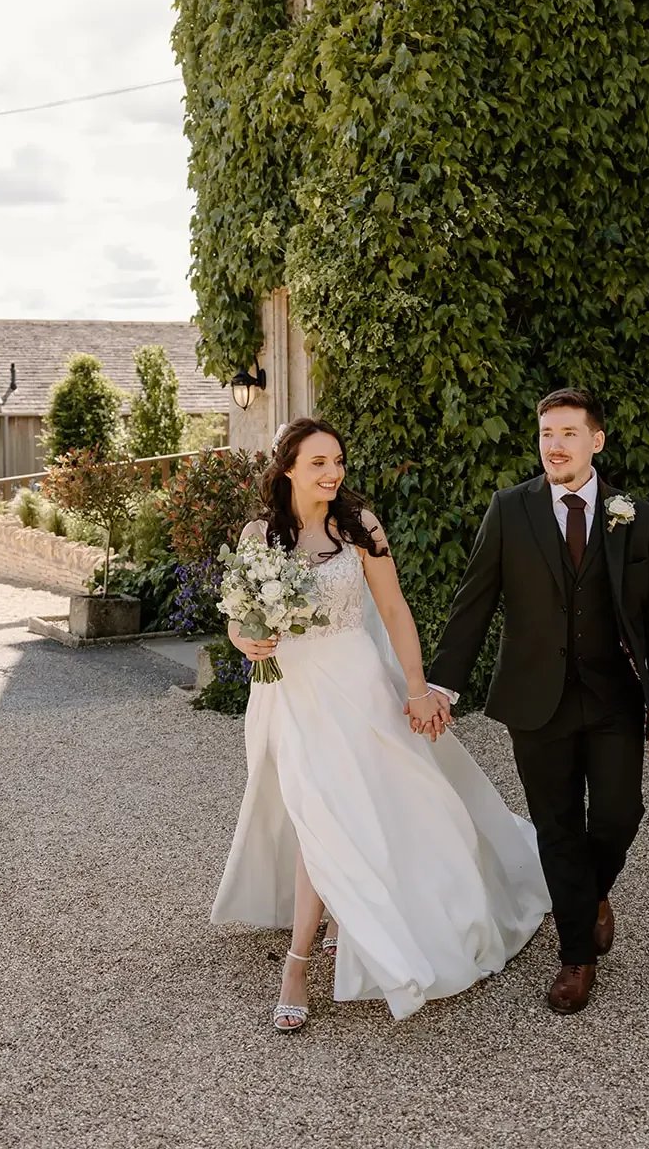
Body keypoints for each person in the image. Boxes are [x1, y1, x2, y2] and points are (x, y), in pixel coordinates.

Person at [211, 417, 550, 1029]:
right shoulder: (259, 534)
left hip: (358, 684)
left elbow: (393, 610)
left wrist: (418, 691)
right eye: (318, 463)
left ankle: (311, 951)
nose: (332, 472)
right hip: (291, 694)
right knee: (320, 813)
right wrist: (244, 641)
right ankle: (305, 954)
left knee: (354, 809)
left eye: (337, 460)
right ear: (287, 467)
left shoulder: (361, 527)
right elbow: (240, 616)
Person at [426, 388, 649, 1014]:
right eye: (546, 434)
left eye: (568, 433)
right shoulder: (510, 510)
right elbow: (475, 601)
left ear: (595, 441)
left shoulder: (633, 514)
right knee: (558, 827)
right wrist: (441, 684)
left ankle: (591, 893)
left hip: (615, 695)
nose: (554, 445)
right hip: (535, 697)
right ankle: (576, 956)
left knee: (621, 812)